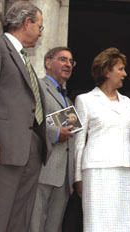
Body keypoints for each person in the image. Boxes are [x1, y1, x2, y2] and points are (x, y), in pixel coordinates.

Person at [0, 1, 49, 232]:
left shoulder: (25, 59)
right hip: (1, 149)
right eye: (40, 27)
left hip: (30, 150)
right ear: (27, 23)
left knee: (18, 222)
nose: (40, 33)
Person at [74, 47, 130, 232]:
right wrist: (77, 177)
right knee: (98, 223)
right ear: (106, 71)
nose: (125, 74)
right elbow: (79, 142)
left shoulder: (129, 104)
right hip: (97, 171)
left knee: (126, 224)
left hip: (125, 170)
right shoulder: (85, 100)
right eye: (120, 69)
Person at [30, 47, 76, 232]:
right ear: (48, 62)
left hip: (64, 177)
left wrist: (71, 177)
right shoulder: (37, 86)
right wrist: (56, 134)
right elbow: (29, 119)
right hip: (43, 168)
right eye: (63, 59)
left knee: (54, 228)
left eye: (71, 62)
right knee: (35, 225)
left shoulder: (69, 101)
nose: (68, 64)